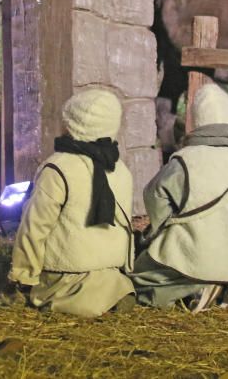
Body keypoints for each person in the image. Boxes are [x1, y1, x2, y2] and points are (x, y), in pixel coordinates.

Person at [131, 81, 228, 312]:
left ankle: (195, 289)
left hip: (190, 262)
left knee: (138, 278)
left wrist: (158, 231)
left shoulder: (185, 160)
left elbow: (154, 199)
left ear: (196, 124)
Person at [8, 89, 135, 318]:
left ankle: (68, 297)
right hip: (113, 276)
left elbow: (34, 228)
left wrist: (24, 277)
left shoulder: (58, 168)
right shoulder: (121, 171)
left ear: (71, 125)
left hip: (65, 277)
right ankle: (110, 295)